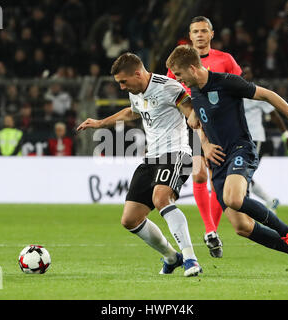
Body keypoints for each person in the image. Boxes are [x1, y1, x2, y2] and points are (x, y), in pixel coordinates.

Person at [166, 45, 288, 277]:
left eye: (179, 75)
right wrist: (205, 145)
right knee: (242, 227)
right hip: (217, 162)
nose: (178, 80)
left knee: (233, 198)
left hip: (241, 149)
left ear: (193, 69)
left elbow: (268, 95)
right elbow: (198, 124)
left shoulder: (227, 82)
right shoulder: (194, 90)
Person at [77, 53, 202, 277]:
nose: (122, 87)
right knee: (130, 219)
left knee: (161, 198)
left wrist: (200, 135)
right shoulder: (137, 92)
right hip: (151, 159)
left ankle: (191, 259)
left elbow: (190, 111)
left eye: (123, 82)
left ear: (138, 73)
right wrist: (100, 123)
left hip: (176, 154)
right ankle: (172, 257)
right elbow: (132, 112)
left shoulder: (168, 87)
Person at [167, 16, 242, 258]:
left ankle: (211, 231)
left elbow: (239, 86)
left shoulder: (225, 60)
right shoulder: (177, 63)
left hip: (220, 126)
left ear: (211, 34)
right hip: (192, 124)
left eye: (203, 31)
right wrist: (188, 111)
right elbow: (172, 93)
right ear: (190, 36)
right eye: (195, 31)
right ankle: (210, 230)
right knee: (199, 172)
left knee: (216, 179)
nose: (199, 35)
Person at [242, 64, 288, 211]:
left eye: (248, 73)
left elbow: (274, 115)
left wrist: (286, 134)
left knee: (245, 173)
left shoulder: (257, 93)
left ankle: (249, 207)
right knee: (240, 173)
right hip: (239, 138)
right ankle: (269, 200)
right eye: (243, 73)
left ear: (252, 75)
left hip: (255, 138)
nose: (245, 75)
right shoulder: (235, 93)